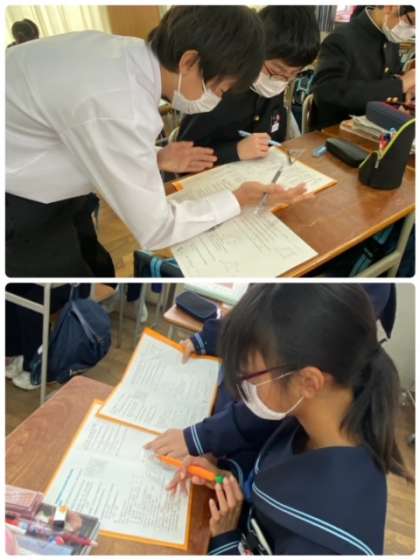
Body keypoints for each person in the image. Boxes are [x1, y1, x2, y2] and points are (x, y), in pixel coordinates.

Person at [6, 6, 308, 277]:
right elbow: (156, 229)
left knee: (92, 263)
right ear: (190, 61)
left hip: (50, 177)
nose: (217, 99)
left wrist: (155, 156)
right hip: (18, 201)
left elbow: (86, 132)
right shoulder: (119, 104)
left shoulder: (123, 55)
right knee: (55, 291)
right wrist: (238, 199)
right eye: (220, 89)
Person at [152, 284, 410, 555]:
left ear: (308, 382)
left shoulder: (326, 542)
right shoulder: (311, 419)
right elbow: (269, 494)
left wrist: (225, 539)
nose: (243, 390)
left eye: (250, 376)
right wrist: (228, 481)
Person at [177, 7, 320, 165]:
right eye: (277, 70)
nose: (281, 81)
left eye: (294, 73)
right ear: (254, 50)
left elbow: (276, 137)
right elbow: (183, 158)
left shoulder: (275, 83)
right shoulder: (217, 86)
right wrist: (235, 150)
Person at [311, 5, 416, 130]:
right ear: (389, 7)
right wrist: (400, 85)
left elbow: (389, 78)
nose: (413, 31)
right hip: (336, 130)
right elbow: (326, 94)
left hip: (376, 125)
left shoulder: (389, 37)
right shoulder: (341, 38)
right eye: (411, 21)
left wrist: (407, 91)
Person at [6, 284, 90, 390]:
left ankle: (36, 367)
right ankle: (17, 352)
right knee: (9, 290)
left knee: (30, 308)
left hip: (71, 283)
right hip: (37, 280)